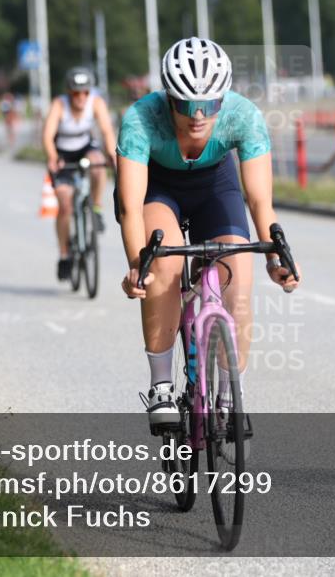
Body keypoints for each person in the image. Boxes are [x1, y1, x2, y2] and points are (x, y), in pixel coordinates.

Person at [115, 37, 301, 431]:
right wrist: (136, 265)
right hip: (159, 189)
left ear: (223, 98)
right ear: (169, 98)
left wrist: (275, 258)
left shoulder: (244, 116)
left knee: (239, 278)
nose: (199, 115)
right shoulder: (141, 119)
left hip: (216, 186)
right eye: (186, 105)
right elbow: (130, 206)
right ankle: (161, 385)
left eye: (210, 104)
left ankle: (232, 394)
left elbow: (260, 202)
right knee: (162, 267)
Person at [42, 67, 117, 280]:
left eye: (85, 92)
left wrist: (112, 155)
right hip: (63, 154)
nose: (81, 97)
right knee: (65, 205)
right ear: (69, 92)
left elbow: (107, 132)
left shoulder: (96, 103)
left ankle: (96, 207)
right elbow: (47, 136)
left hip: (85, 147)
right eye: (76, 93)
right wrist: (52, 157)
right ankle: (64, 255)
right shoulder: (59, 105)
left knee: (98, 164)